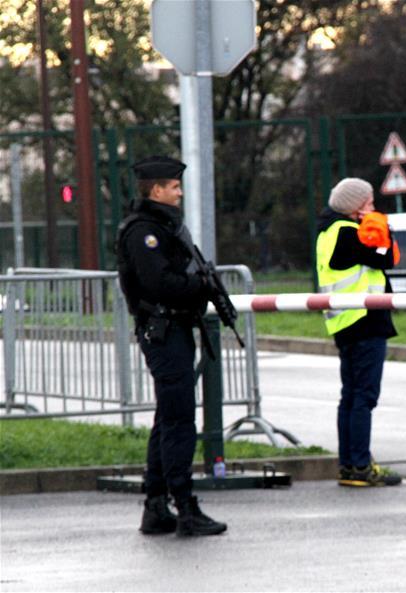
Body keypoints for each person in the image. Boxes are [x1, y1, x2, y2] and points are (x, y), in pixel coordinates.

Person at [116, 155, 227, 537]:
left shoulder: (164, 226)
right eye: (174, 186)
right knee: (179, 419)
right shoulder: (144, 231)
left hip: (174, 330)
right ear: (156, 189)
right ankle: (184, 505)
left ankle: (156, 505)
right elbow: (160, 283)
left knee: (168, 417)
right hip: (163, 332)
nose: (180, 192)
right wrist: (200, 286)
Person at [315, 177, 402, 487]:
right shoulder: (350, 232)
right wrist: (380, 226)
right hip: (365, 321)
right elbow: (386, 257)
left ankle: (349, 465)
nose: (374, 209)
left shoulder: (328, 232)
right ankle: (361, 466)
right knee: (364, 396)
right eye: (369, 204)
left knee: (350, 397)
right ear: (355, 207)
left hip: (344, 323)